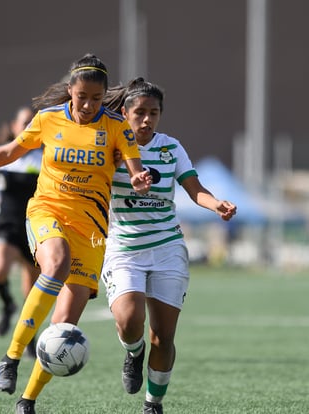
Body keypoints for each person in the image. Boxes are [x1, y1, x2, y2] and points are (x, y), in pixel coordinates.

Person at [0, 53, 152, 414]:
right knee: (56, 263)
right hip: (48, 211)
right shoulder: (47, 119)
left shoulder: (116, 127)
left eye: (96, 97)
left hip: (91, 231)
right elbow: (9, 151)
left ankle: (26, 400)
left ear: (105, 95)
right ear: (70, 93)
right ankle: (10, 358)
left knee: (62, 328)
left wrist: (138, 179)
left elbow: (134, 166)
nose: (89, 105)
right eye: (82, 97)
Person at [101, 78, 237, 414]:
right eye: (140, 113)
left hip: (167, 249)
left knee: (163, 336)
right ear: (124, 113)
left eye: (154, 113)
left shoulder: (171, 147)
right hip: (123, 249)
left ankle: (153, 404)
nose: (147, 120)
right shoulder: (109, 146)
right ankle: (133, 354)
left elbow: (195, 188)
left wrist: (215, 203)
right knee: (129, 321)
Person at [0, 107, 43, 356]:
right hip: (4, 222)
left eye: (31, 122)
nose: (27, 126)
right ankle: (6, 304)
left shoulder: (45, 157)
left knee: (32, 293)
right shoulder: (4, 155)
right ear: (14, 126)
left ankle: (30, 339)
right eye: (23, 122)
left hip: (34, 226)